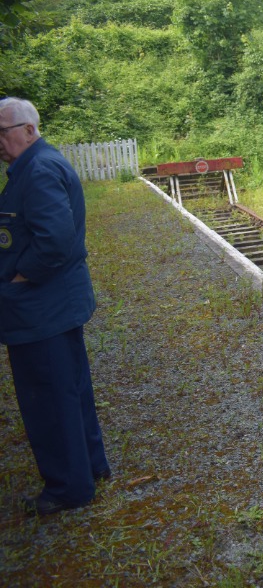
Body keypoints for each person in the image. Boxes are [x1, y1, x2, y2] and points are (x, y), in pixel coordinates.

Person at [0, 96, 110, 515]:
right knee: (71, 389)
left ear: (29, 130)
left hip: (40, 309)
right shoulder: (38, 163)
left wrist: (18, 276)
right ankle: (90, 467)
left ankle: (68, 487)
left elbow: (55, 241)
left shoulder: (39, 169)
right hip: (51, 306)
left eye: (3, 131)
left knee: (47, 398)